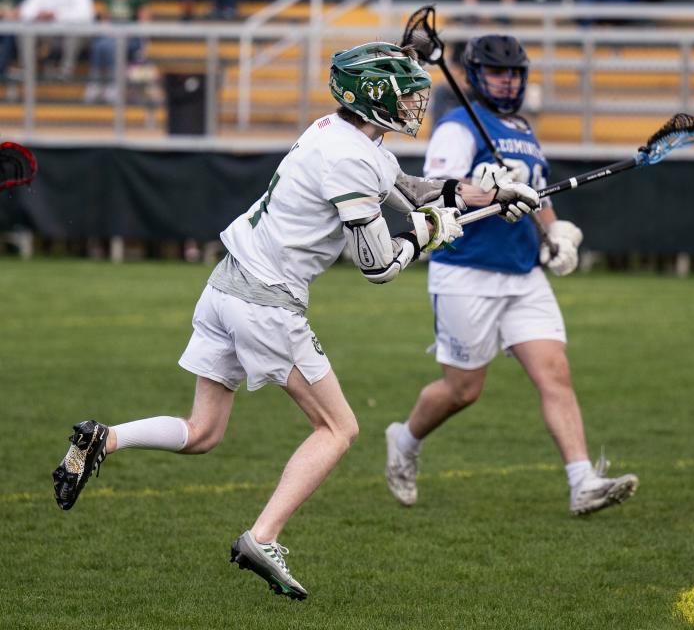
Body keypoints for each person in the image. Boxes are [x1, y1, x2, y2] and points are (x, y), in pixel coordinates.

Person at [51, 41, 539, 600]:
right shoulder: (351, 158)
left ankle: (103, 440)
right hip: (266, 302)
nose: (413, 106)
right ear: (374, 97)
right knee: (340, 429)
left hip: (225, 287)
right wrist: (428, 233)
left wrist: (491, 193)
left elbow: (405, 189)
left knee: (203, 433)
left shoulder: (342, 132)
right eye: (404, 96)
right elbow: (377, 265)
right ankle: (263, 536)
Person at [383, 34, 638, 517]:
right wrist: (489, 193)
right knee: (463, 390)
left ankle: (582, 481)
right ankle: (406, 440)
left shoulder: (522, 128)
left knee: (555, 374)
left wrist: (555, 232)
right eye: (498, 72)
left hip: (523, 273)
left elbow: (537, 193)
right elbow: (441, 192)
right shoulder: (458, 126)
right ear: (477, 76)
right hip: (466, 271)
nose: (507, 81)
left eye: (515, 73)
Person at [84, 0, 150, 103]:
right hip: (112, 35)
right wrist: (108, 31)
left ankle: (113, 85)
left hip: (132, 37)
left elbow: (144, 23)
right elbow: (105, 20)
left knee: (112, 46)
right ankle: (95, 83)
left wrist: (135, 37)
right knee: (99, 45)